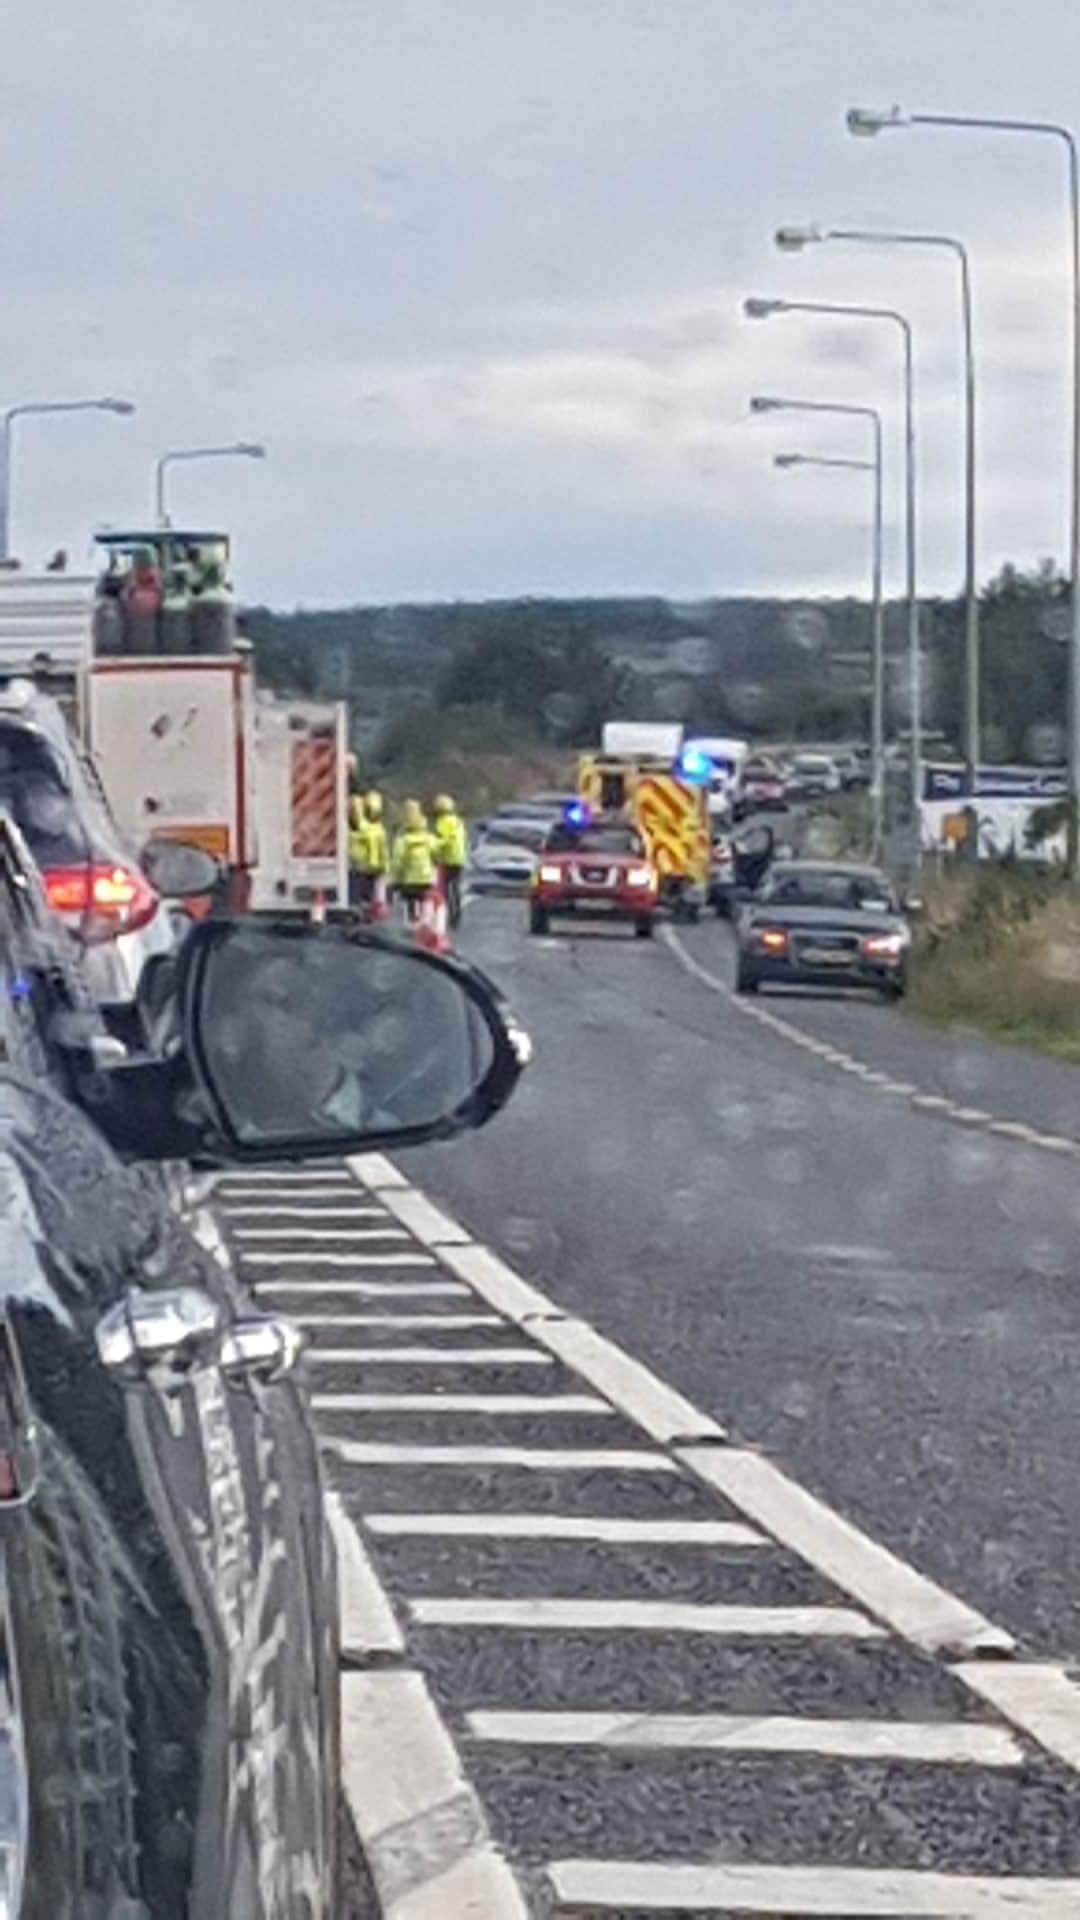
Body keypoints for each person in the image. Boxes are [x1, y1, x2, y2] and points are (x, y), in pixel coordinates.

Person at [391, 798, 437, 922]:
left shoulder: (402, 840)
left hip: (409, 877)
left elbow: (397, 860)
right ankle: (426, 920)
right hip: (425, 876)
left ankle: (412, 921)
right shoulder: (428, 838)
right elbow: (436, 852)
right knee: (425, 898)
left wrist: (395, 877)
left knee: (410, 899)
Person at [432, 793, 467, 927]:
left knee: (444, 889)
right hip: (459, 858)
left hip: (447, 858)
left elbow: (443, 839)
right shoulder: (458, 821)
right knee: (455, 888)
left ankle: (445, 914)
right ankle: (456, 914)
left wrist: (432, 847)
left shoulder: (442, 822)